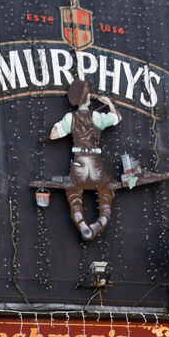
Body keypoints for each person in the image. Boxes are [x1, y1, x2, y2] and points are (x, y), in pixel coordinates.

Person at [49, 78, 121, 241]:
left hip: (79, 165)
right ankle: (102, 220)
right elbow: (116, 118)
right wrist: (109, 103)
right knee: (106, 188)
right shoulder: (96, 116)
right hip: (96, 166)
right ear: (87, 97)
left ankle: (80, 221)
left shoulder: (70, 118)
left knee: (73, 190)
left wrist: (56, 129)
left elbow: (54, 135)